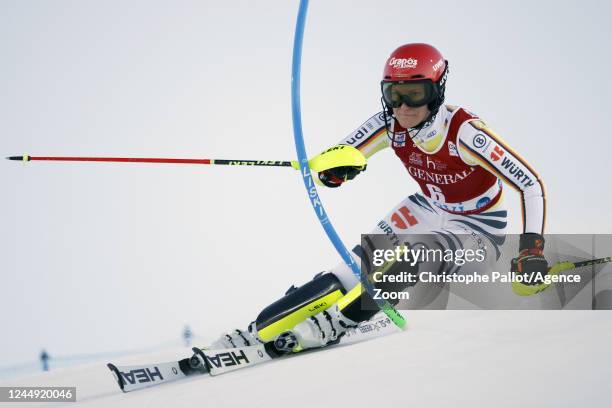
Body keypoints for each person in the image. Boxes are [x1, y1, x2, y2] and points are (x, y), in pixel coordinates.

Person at [208, 43, 548, 353]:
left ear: (437, 89)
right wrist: (333, 172)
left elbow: (530, 184)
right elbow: (339, 156)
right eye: (393, 94)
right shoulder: (389, 123)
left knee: (417, 254)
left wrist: (532, 249)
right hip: (427, 207)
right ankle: (260, 328)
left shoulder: (465, 132)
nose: (403, 107)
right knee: (350, 270)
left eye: (415, 93)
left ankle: (341, 322)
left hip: (479, 225)